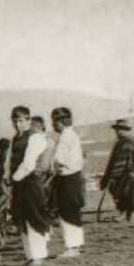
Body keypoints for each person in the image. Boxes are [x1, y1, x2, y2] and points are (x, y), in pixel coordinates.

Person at [3, 106, 52, 266]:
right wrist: (6, 176)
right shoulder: (15, 139)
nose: (17, 124)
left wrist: (14, 177)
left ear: (29, 120)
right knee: (21, 218)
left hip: (30, 182)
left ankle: (38, 255)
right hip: (18, 183)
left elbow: (28, 163)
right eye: (15, 121)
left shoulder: (35, 138)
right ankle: (30, 255)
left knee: (33, 218)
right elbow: (8, 160)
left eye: (21, 121)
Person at [50, 107, 85, 257]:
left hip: (67, 178)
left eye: (54, 121)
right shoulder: (72, 135)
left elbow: (59, 160)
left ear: (59, 121)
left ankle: (72, 247)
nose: (52, 125)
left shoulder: (65, 136)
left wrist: (50, 172)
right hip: (74, 177)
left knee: (67, 212)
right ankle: (75, 247)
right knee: (73, 211)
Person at [99, 119, 134, 222]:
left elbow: (132, 160)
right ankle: (124, 214)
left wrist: (133, 172)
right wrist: (108, 175)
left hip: (127, 173)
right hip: (119, 174)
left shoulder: (128, 142)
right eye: (117, 129)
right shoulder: (119, 143)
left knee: (127, 193)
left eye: (121, 129)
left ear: (125, 130)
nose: (118, 132)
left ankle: (128, 215)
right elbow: (113, 161)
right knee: (119, 193)